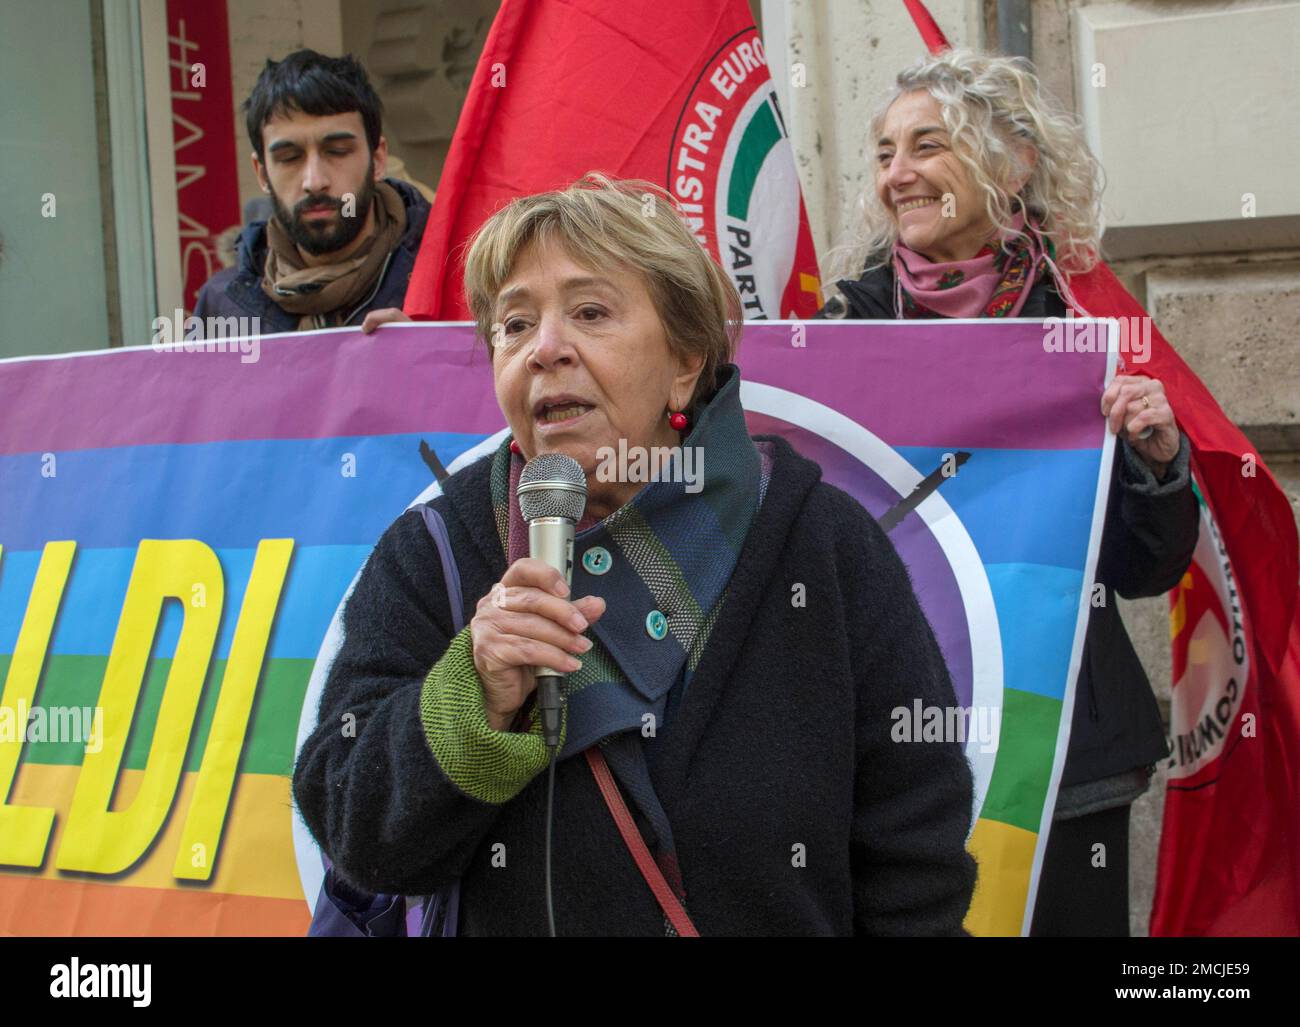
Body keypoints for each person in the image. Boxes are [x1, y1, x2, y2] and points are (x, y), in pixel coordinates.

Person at [292, 173, 978, 936]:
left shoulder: (824, 547)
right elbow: (356, 835)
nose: (545, 350)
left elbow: (916, 860)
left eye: (590, 312)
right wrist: (475, 693)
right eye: (514, 326)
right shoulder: (438, 553)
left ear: (685, 360)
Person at [820, 49, 1198, 936]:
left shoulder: (1084, 323)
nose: (897, 174)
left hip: (1067, 749)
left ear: (1012, 163)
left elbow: (1147, 569)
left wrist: (1154, 457)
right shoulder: (837, 336)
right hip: (895, 742)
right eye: (882, 153)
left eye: (927, 146)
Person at [193, 50, 428, 335]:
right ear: (262, 173)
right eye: (289, 158)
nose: (314, 181)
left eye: (337, 152)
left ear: (377, 160)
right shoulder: (222, 304)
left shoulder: (446, 281)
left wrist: (426, 357)